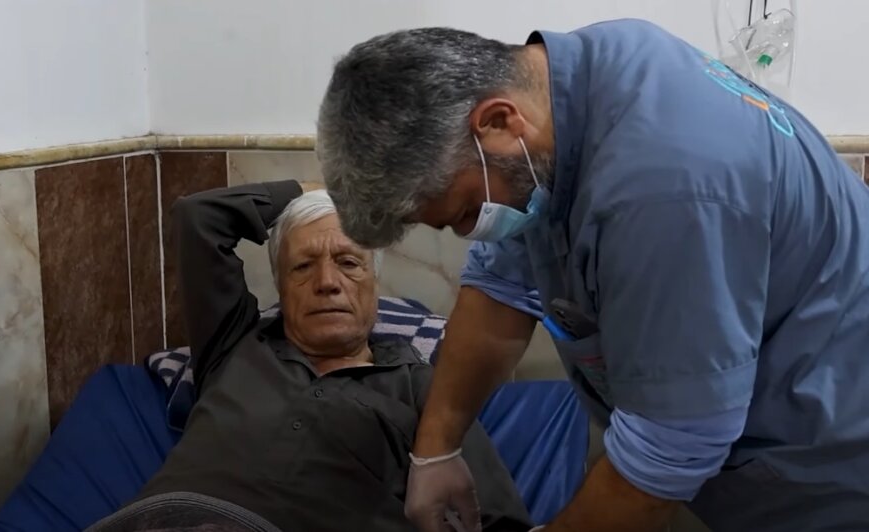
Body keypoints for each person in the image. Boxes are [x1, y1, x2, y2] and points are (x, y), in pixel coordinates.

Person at [315, 18, 869, 532]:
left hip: (831, 466)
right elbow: (500, 289)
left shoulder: (667, 188)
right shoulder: (559, 97)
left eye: (464, 213)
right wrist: (436, 449)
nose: (467, 232)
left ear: (499, 121)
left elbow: (672, 443)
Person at [88, 181, 532, 531]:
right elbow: (197, 217)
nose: (327, 282)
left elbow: (495, 519)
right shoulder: (234, 343)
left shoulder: (424, 388)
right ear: (281, 288)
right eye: (303, 266)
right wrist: (331, 188)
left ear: (374, 286)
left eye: (348, 262)